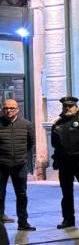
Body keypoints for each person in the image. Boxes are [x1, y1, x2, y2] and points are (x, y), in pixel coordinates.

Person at [51, 96, 79, 229]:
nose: (67, 108)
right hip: (65, 163)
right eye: (65, 106)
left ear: (77, 107)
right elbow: (55, 143)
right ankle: (68, 219)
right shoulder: (57, 123)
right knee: (66, 193)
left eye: (70, 106)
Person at [0, 99, 34, 231]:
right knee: (0, 194)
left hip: (20, 165)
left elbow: (30, 143)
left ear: (17, 109)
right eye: (6, 108)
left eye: (11, 108)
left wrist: (21, 156)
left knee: (21, 194)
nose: (9, 111)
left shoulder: (26, 124)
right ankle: (0, 220)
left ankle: (23, 222)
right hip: (1, 165)